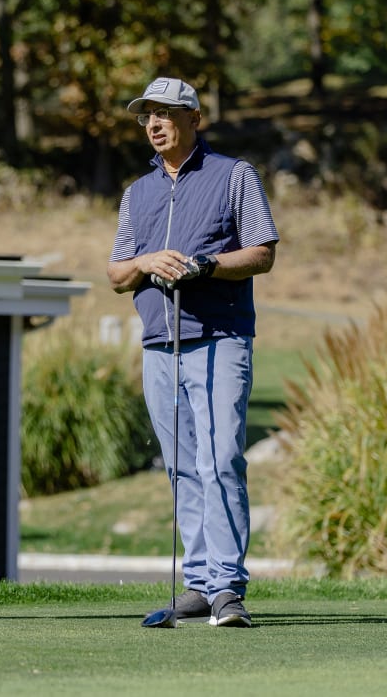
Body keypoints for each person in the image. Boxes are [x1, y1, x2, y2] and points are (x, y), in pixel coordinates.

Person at [106, 77, 278, 628]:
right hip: (160, 344)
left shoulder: (234, 175)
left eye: (164, 114)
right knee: (181, 468)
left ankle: (227, 586)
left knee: (221, 458)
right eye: (145, 116)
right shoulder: (139, 192)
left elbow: (262, 253)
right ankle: (200, 584)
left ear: (194, 118)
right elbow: (116, 272)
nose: (153, 124)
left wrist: (205, 265)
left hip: (221, 337)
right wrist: (146, 263)